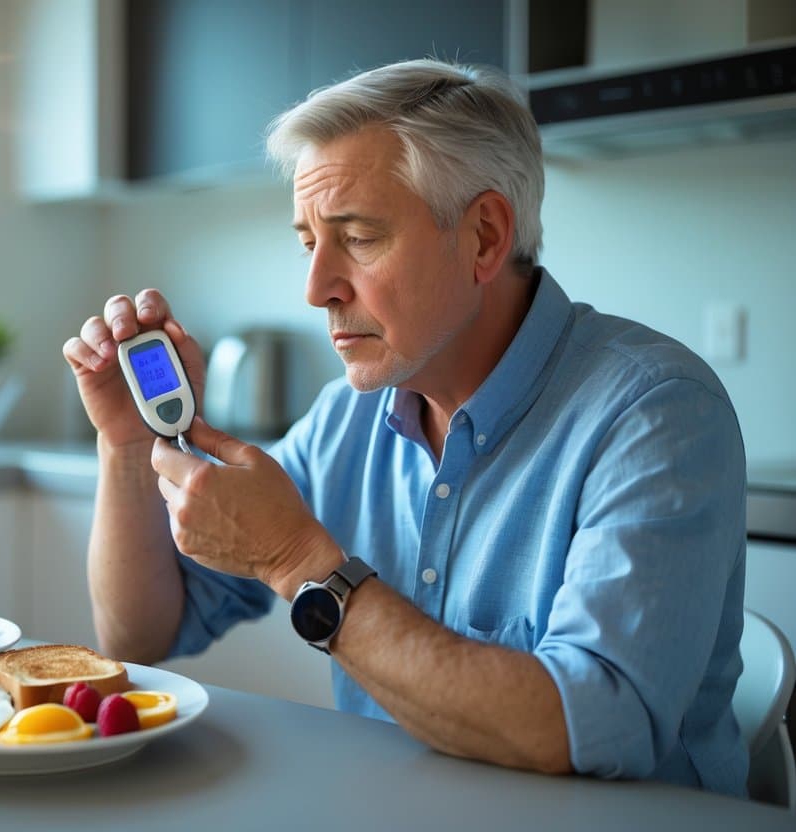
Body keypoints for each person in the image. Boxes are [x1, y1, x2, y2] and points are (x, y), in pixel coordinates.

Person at [62, 58, 748, 795]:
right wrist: (128, 446)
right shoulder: (347, 419)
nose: (315, 287)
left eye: (355, 237)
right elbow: (142, 634)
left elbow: (583, 727)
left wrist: (300, 563)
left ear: (484, 237)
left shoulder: (653, 413)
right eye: (307, 242)